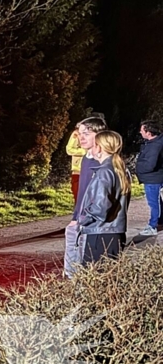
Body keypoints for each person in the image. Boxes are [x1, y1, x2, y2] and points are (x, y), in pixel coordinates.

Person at [71, 130, 130, 274]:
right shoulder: (120, 169)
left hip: (100, 234)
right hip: (114, 233)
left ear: (98, 147)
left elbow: (100, 209)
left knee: (95, 281)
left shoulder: (104, 172)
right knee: (109, 282)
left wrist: (82, 219)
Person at [64, 116, 108, 278]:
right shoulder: (85, 159)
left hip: (94, 223)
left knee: (89, 267)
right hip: (81, 219)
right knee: (73, 265)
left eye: (86, 133)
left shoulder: (103, 162)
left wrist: (87, 218)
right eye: (80, 133)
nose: (81, 137)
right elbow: (82, 192)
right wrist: (75, 217)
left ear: (99, 134)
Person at [135, 120, 163, 236]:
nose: (140, 132)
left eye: (142, 130)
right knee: (157, 201)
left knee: (154, 203)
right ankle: (160, 221)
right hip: (153, 177)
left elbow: (150, 164)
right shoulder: (154, 142)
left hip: (152, 179)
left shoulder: (155, 146)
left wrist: (138, 169)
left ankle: (153, 226)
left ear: (148, 132)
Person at [65, 129, 86, 202]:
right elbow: (69, 150)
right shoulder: (76, 135)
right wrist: (74, 137)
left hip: (88, 172)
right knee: (77, 196)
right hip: (77, 171)